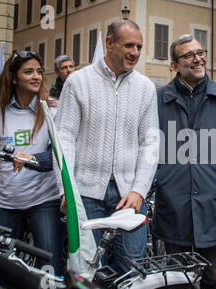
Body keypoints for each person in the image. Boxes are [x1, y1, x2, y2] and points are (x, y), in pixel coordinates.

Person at [55, 20, 159, 274]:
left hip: (129, 196)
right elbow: (64, 138)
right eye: (129, 45)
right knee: (89, 273)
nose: (135, 52)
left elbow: (150, 142)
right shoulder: (78, 81)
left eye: (139, 46)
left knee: (132, 271)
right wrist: (65, 189)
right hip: (86, 194)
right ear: (109, 43)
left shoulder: (146, 87)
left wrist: (139, 190)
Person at [153, 34, 216, 289]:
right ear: (174, 65)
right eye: (189, 55)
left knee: (214, 280)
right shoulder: (157, 99)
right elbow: (147, 146)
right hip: (173, 205)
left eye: (200, 52)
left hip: (214, 204)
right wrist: (163, 178)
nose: (198, 59)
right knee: (176, 281)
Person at [0, 51, 64, 275]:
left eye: (39, 72)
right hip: (7, 202)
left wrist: (32, 159)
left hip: (45, 200)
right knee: (1, 272)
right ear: (13, 78)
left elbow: (60, 156)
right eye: (29, 72)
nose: (36, 77)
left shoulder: (52, 108)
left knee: (50, 271)